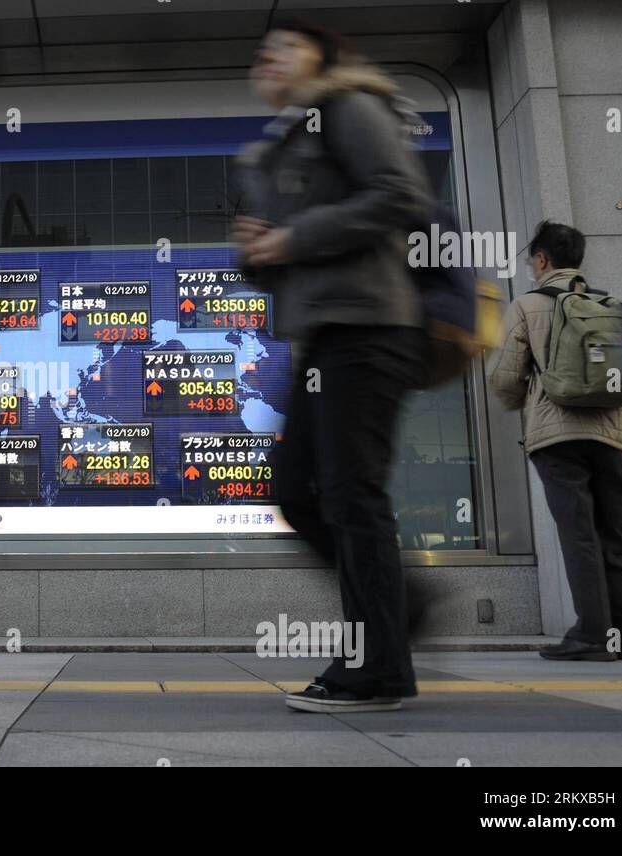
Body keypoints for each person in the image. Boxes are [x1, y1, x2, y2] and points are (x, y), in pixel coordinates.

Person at [234, 18, 434, 712]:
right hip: (323, 336)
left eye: (286, 45)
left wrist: (294, 235)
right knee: (295, 492)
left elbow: (399, 193)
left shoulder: (348, 109)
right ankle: (398, 610)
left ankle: (377, 667)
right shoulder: (280, 147)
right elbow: (289, 264)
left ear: (323, 57)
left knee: (351, 496)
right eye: (265, 51)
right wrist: (259, 251)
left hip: (372, 327)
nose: (270, 56)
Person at [488, 220, 622, 661]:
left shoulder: (528, 304)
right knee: (615, 532)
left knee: (579, 534)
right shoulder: (611, 305)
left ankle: (592, 636)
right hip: (614, 435)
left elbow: (505, 379)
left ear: (542, 260)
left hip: (557, 436)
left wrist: (524, 397)